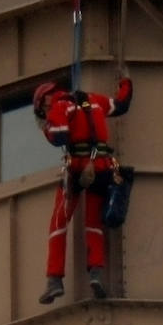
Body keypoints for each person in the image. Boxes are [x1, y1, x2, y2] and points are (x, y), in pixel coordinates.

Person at [34, 74, 133, 304]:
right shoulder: (93, 100)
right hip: (103, 168)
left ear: (47, 97)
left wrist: (46, 129)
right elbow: (121, 105)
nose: (45, 110)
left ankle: (54, 280)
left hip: (78, 168)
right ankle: (96, 274)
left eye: (42, 106)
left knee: (58, 222)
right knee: (93, 222)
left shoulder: (61, 105)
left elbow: (59, 136)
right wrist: (125, 83)